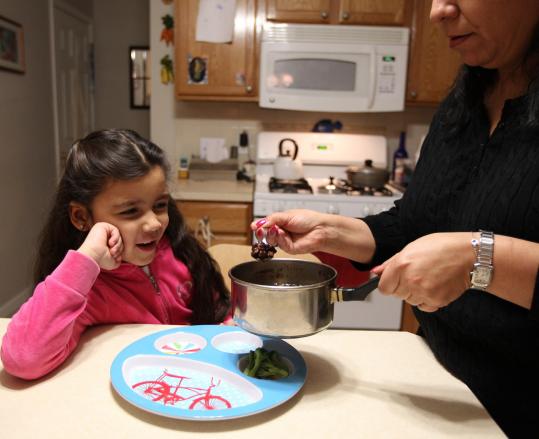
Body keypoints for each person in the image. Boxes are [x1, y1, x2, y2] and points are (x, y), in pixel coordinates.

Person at [252, 1, 539, 436]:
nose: (437, 11)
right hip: (436, 384)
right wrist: (331, 231)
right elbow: (413, 223)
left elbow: (474, 250)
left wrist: (480, 257)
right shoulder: (463, 104)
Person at [1, 129, 231, 380]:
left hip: (197, 378)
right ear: (81, 217)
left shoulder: (180, 251)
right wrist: (86, 257)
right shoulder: (87, 293)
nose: (154, 224)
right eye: (131, 211)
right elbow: (22, 359)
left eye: (159, 205)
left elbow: (218, 310)